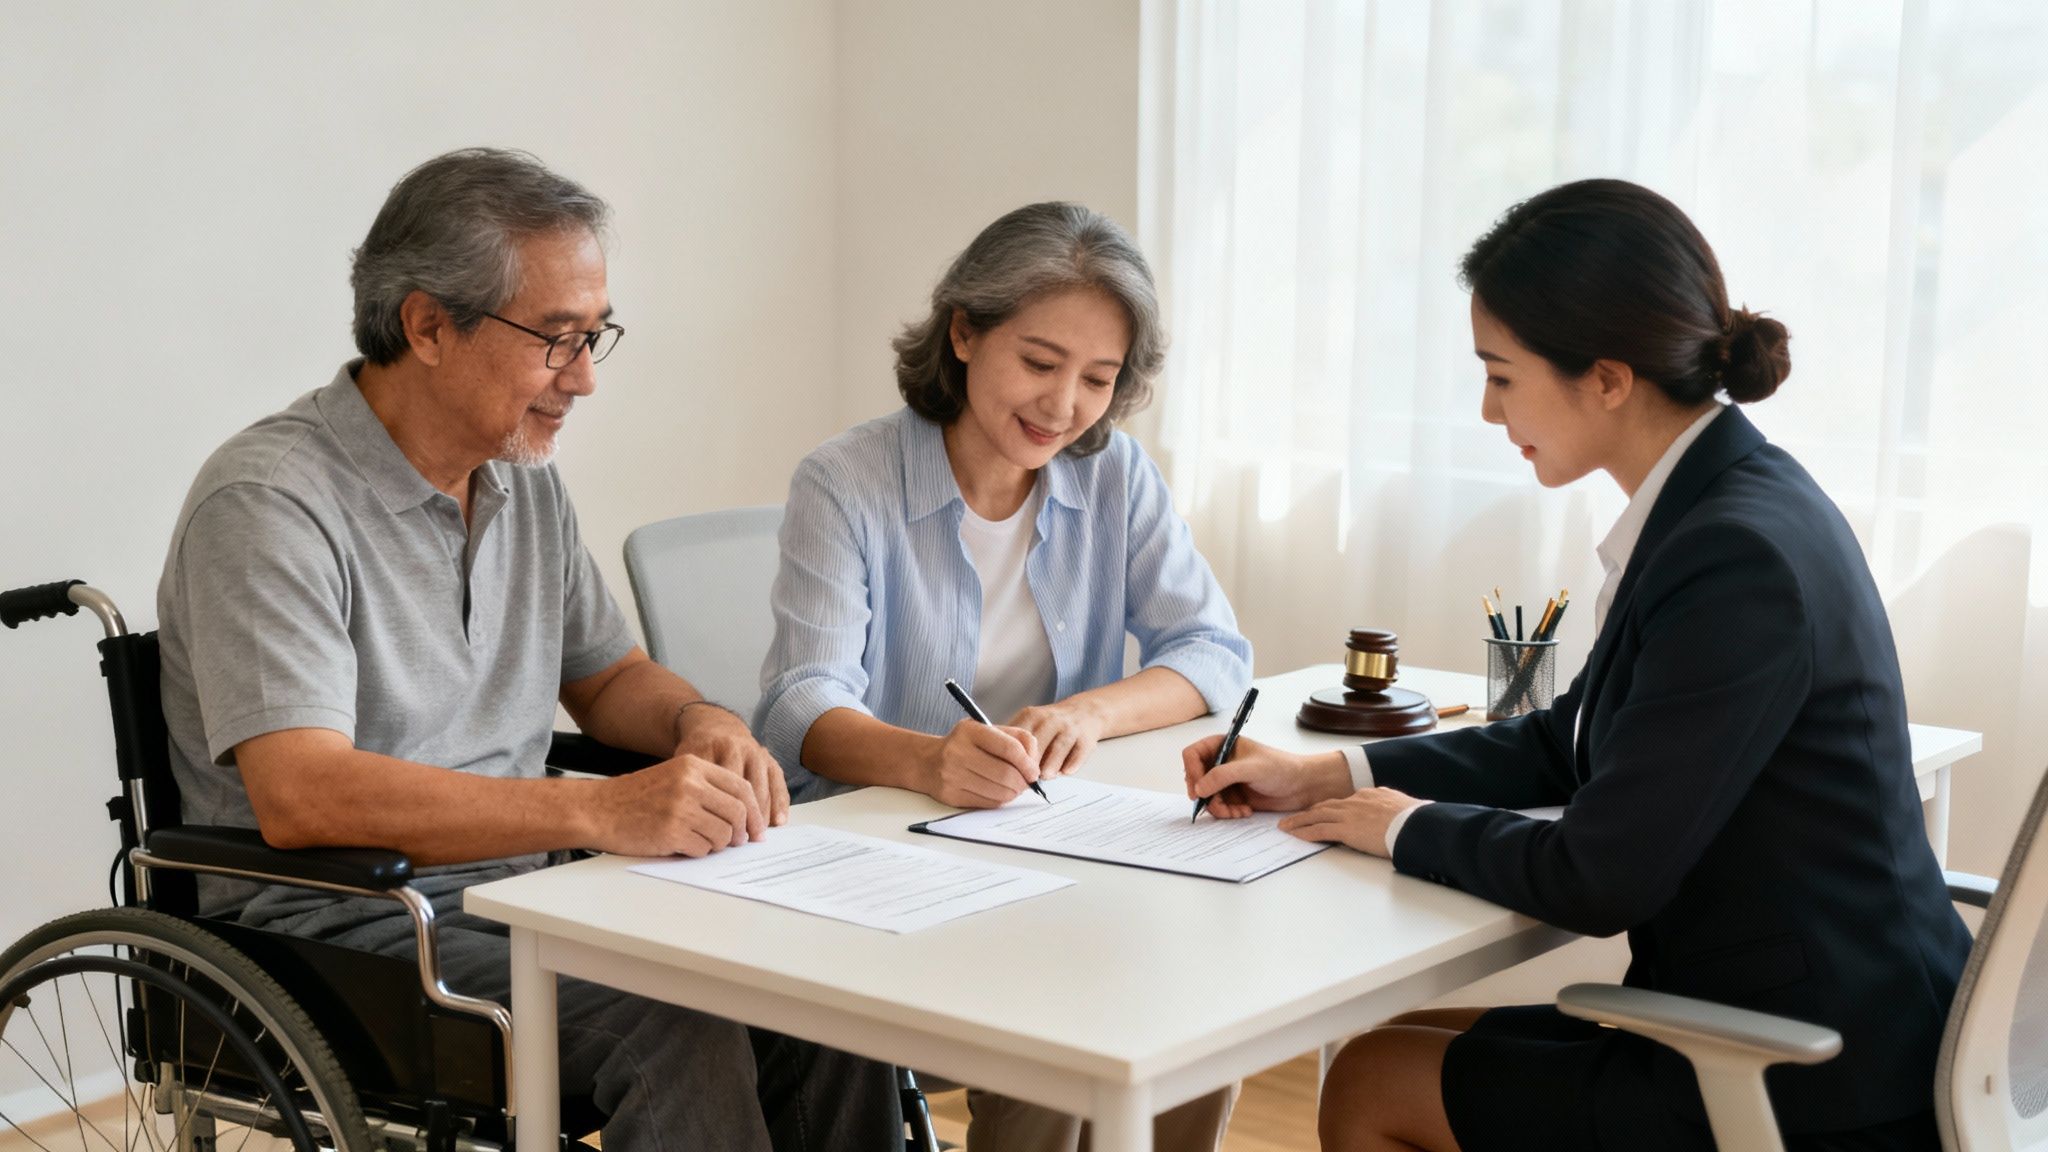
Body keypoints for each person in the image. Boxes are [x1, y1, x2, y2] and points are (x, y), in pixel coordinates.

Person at [1183, 178, 1971, 1152]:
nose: (1483, 408)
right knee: (1391, 1047)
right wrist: (1326, 773)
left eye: (1500, 374)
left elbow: (1598, 878)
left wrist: (1406, 827)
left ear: (1604, 377)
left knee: (1373, 1084)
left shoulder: (1734, 556)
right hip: (1837, 1020)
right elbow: (1573, 740)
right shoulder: (1725, 499)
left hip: (1816, 1078)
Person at [157, 147, 898, 1150]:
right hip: (345, 931)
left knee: (820, 979)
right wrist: (597, 809)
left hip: (529, 892)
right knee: (675, 1023)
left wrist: (699, 722)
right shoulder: (271, 502)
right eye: (556, 341)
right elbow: (304, 797)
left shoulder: (522, 479)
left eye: (596, 338)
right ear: (426, 325)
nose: (586, 378)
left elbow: (609, 678)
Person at [755, 201, 1251, 1150]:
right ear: (965, 331)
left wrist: (1092, 714)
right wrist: (926, 762)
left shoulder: (1115, 477)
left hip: (1050, 852)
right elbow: (798, 702)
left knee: (1198, 1006)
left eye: (1098, 378)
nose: (1063, 405)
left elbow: (1213, 651)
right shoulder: (846, 481)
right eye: (1039, 362)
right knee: (1069, 1019)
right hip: (880, 864)